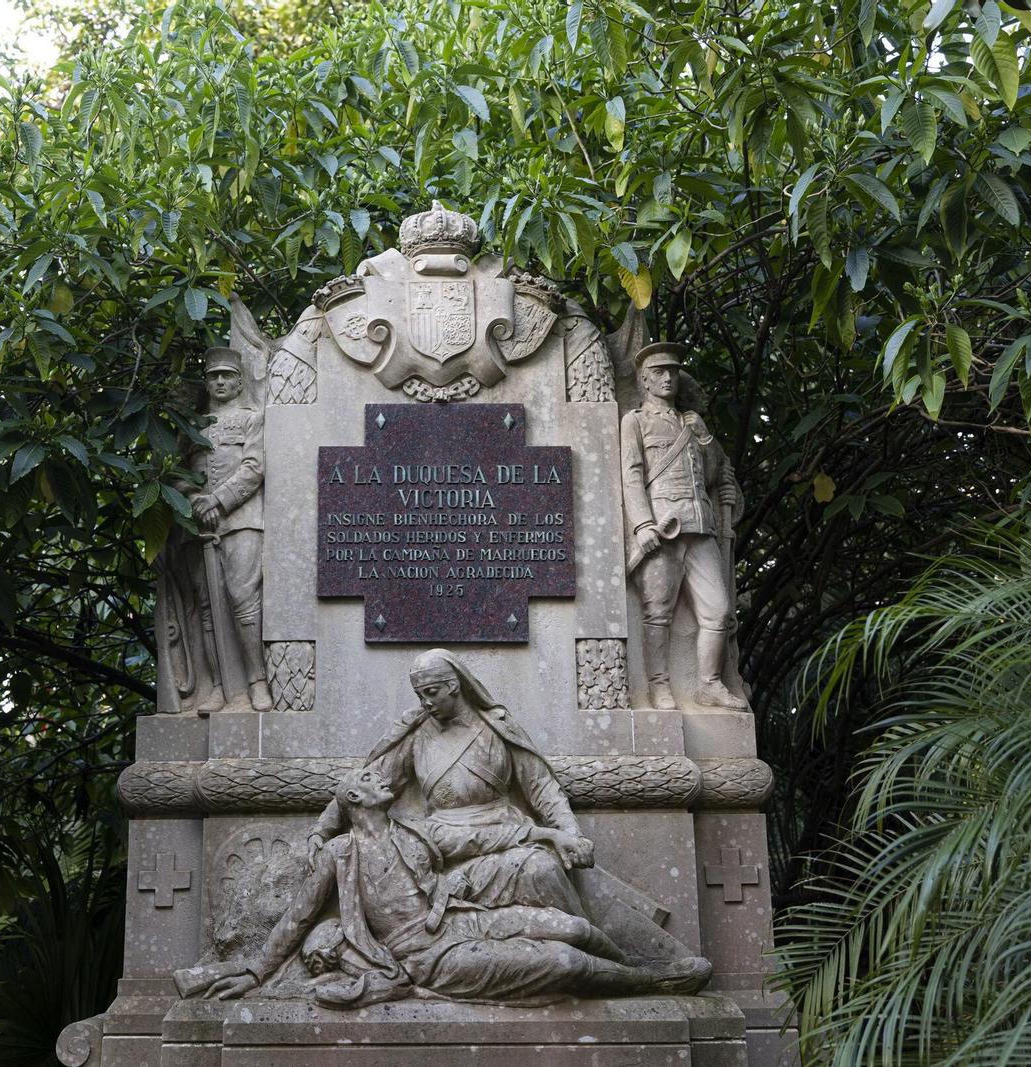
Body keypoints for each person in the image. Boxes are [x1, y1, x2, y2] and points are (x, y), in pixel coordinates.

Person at [193, 767, 711, 1005]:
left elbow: (483, 840)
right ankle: (653, 987)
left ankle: (643, 966)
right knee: (562, 961)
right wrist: (255, 970)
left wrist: (546, 833)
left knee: (572, 926)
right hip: (425, 956)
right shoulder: (339, 854)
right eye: (373, 779)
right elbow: (298, 919)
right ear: (355, 795)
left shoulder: (416, 829)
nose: (384, 780)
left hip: (462, 918)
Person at [306, 649, 594, 915]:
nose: (425, 703)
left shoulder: (497, 726)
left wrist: (571, 833)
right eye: (420, 696)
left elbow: (542, 787)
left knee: (543, 869)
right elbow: (364, 784)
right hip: (441, 846)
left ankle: (582, 950)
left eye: (431, 693)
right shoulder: (416, 733)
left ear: (454, 686)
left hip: (504, 832)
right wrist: (322, 830)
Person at [620, 341, 745, 710]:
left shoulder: (691, 422)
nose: (667, 379)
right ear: (644, 380)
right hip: (663, 526)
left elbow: (709, 478)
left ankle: (710, 684)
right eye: (659, 373)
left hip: (700, 527)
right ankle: (659, 686)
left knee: (719, 611)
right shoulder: (636, 421)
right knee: (658, 610)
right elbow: (631, 475)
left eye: (672, 372)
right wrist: (642, 524)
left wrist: (704, 438)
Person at [185, 346, 271, 712]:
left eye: (227, 376)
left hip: (241, 521)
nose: (219, 381)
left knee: (242, 600)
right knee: (207, 607)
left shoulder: (252, 418)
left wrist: (216, 500)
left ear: (239, 382)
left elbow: (254, 468)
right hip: (200, 527)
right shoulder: (193, 426)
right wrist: (192, 499)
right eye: (213, 376)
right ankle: (221, 685)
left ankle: (257, 682)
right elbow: (179, 473)